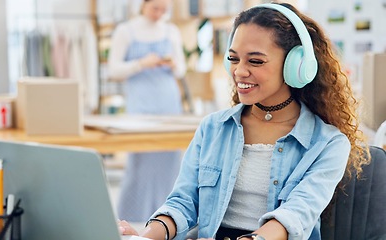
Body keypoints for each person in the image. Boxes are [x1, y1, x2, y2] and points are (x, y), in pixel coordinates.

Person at [117, 2, 371, 240]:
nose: (239, 71)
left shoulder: (328, 143)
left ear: (296, 65)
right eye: (234, 58)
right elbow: (183, 203)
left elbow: (294, 216)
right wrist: (147, 235)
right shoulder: (213, 128)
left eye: (255, 61)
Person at [107, 0, 187, 222]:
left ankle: (169, 219)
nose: (159, 14)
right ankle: (130, 220)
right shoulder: (126, 31)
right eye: (155, 8)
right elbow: (113, 70)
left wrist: (172, 65)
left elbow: (181, 69)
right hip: (140, 106)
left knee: (170, 164)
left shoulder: (171, 31)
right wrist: (141, 64)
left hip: (169, 104)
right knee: (139, 164)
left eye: (164, 9)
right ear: (143, 4)